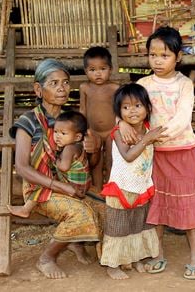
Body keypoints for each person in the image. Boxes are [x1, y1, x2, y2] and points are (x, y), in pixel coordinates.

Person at [120, 26, 195, 280]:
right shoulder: (142, 84)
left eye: (165, 55)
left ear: (178, 56)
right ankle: (158, 253)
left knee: (188, 200)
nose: (158, 61)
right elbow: (128, 108)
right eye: (153, 55)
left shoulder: (184, 84)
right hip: (152, 154)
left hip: (180, 151)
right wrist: (124, 122)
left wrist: (151, 136)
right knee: (156, 204)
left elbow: (182, 120)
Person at [10, 59, 102, 279]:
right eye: (54, 83)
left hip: (70, 183)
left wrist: (95, 148)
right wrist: (61, 187)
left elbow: (91, 164)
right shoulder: (28, 121)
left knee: (105, 208)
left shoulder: (71, 121)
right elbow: (21, 167)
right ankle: (47, 258)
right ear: (38, 89)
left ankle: (73, 241)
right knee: (81, 213)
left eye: (66, 82)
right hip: (39, 189)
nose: (62, 88)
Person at [100, 83, 165, 280]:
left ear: (147, 108)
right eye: (125, 107)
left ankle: (135, 257)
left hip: (141, 187)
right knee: (118, 228)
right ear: (119, 112)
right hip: (121, 187)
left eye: (137, 106)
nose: (132, 111)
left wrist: (148, 137)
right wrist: (146, 140)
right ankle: (112, 264)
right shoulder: (120, 132)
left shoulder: (147, 129)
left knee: (138, 225)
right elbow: (128, 156)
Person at [8, 111, 92, 218]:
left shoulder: (69, 148)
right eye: (56, 132)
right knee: (48, 181)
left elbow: (63, 167)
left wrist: (54, 160)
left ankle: (25, 209)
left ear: (77, 137)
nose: (57, 136)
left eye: (63, 133)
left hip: (74, 187)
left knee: (44, 186)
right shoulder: (78, 146)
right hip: (82, 185)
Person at [79, 46, 119, 190]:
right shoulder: (84, 88)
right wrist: (84, 131)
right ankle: (97, 191)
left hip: (111, 132)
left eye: (102, 69)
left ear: (111, 69)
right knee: (96, 163)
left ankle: (109, 190)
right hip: (93, 131)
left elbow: (120, 111)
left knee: (110, 161)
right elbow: (82, 110)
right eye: (92, 70)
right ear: (86, 71)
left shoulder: (115, 88)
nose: (98, 74)